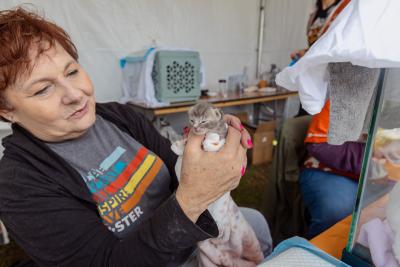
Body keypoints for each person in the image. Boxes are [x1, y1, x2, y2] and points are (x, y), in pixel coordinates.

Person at [0, 7, 272, 267]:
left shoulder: (119, 117)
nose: (75, 94)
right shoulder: (18, 185)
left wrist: (207, 147)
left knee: (257, 222)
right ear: (7, 110)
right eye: (43, 90)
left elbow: (176, 170)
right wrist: (193, 199)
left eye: (72, 71)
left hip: (191, 238)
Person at [299, 100, 365, 238]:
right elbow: (319, 145)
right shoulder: (342, 97)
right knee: (338, 212)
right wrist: (368, 158)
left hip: (378, 175)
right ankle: (315, 255)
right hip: (328, 170)